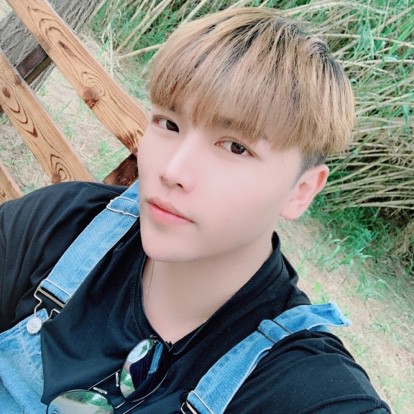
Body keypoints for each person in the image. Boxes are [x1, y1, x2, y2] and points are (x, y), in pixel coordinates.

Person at [0, 7, 390, 414]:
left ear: (300, 191)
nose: (172, 171)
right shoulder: (62, 224)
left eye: (235, 147)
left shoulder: (302, 388)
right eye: (169, 124)